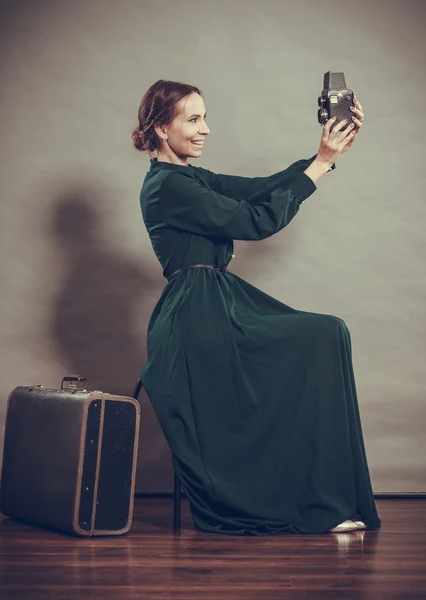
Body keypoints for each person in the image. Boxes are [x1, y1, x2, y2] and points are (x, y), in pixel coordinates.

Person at [132, 79, 381, 535]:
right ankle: (307, 499)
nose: (205, 128)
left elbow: (263, 188)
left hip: (216, 301)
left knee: (328, 332)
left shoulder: (190, 178)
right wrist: (321, 166)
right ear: (162, 129)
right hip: (195, 318)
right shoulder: (166, 187)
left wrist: (327, 153)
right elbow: (254, 221)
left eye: (205, 116)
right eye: (193, 118)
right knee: (321, 335)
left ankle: (317, 492)